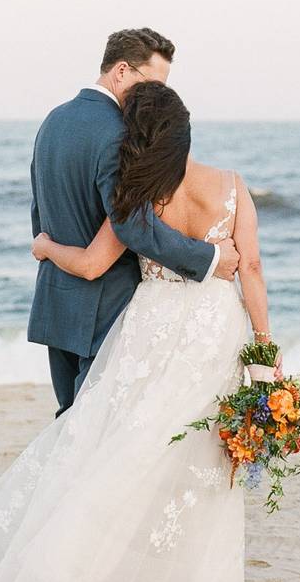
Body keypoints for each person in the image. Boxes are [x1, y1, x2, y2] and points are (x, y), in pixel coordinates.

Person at [0, 79, 276, 582]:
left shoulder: (139, 197)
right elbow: (252, 268)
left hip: (149, 326)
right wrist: (264, 349)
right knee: (207, 452)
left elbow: (88, 264)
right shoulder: (232, 186)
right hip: (216, 332)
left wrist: (44, 247)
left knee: (125, 441)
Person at [24, 28, 241, 419]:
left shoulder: (52, 122)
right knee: (93, 431)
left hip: (57, 304)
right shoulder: (119, 135)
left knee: (67, 426)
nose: (156, 99)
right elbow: (133, 225)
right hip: (104, 307)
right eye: (152, 84)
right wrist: (208, 258)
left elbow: (41, 215)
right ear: (121, 72)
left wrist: (52, 251)